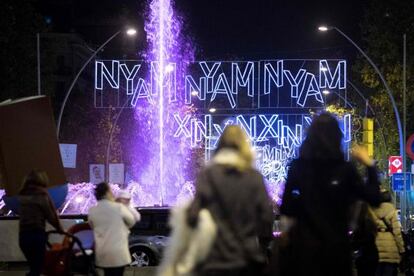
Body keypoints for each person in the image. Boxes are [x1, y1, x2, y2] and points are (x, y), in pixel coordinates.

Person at [279, 112, 381, 276]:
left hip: (305, 254)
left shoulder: (298, 167)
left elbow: (286, 208)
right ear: (337, 137)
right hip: (337, 253)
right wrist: (369, 165)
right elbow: (374, 198)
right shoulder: (345, 169)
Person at [186, 125, 274, 276]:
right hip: (246, 258)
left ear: (220, 146)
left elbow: (193, 216)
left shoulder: (208, 175)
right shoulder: (253, 176)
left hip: (214, 259)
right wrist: (262, 248)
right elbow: (266, 216)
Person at [18, 170, 64, 276]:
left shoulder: (22, 195)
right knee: (37, 269)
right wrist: (59, 229)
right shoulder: (41, 195)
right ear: (42, 180)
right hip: (36, 235)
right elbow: (51, 215)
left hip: (23, 236)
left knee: (33, 268)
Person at [88, 182, 136, 276]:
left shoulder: (92, 211)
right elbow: (131, 221)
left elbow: (92, 226)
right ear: (106, 193)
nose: (113, 193)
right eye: (110, 190)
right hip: (118, 252)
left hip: (103, 253)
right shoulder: (118, 207)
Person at [370, 190, 405, 276]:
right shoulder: (392, 211)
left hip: (376, 246)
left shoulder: (373, 210)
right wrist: (401, 249)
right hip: (390, 247)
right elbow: (397, 233)